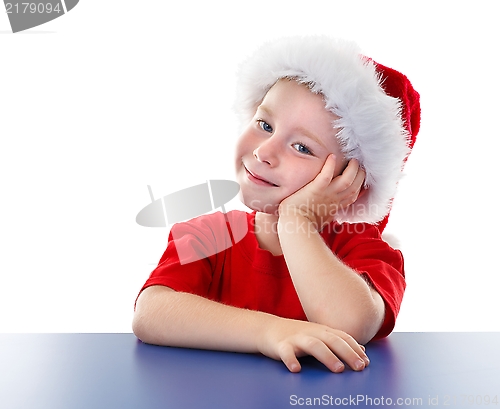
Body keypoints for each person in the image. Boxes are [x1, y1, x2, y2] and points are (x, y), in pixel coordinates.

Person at [133, 36, 421, 373]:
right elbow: (151, 314)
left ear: (352, 183)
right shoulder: (206, 235)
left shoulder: (367, 251)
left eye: (301, 147)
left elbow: (349, 323)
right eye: (265, 125)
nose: (264, 152)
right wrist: (270, 331)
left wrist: (295, 219)